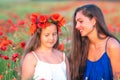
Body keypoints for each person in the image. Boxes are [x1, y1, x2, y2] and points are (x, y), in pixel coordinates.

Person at [69, 4, 120, 80]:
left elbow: (117, 77)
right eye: (76, 22)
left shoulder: (112, 45)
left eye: (80, 21)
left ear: (93, 21)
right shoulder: (82, 47)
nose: (76, 26)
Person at [21, 13, 70, 80]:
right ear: (38, 36)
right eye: (47, 35)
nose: (51, 38)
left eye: (54, 34)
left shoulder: (62, 57)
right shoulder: (31, 57)